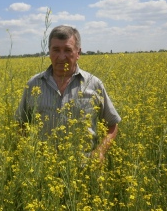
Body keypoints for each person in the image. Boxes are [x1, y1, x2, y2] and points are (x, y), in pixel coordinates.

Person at [15, 25, 121, 162]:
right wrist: (28, 151)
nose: (61, 56)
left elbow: (112, 124)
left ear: (78, 53)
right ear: (49, 52)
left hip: (84, 167)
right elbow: (20, 124)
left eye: (68, 50)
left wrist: (99, 152)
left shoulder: (94, 84)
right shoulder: (33, 84)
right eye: (56, 50)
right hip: (43, 169)